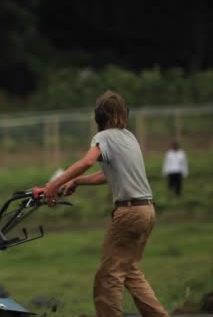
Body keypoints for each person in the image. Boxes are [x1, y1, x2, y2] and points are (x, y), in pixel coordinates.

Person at [44, 90, 168, 317]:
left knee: (108, 276)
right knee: (129, 270)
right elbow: (108, 175)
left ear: (100, 117)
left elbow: (87, 161)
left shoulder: (104, 137)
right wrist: (78, 181)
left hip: (129, 212)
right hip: (147, 210)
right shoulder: (129, 137)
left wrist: (53, 184)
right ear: (122, 113)